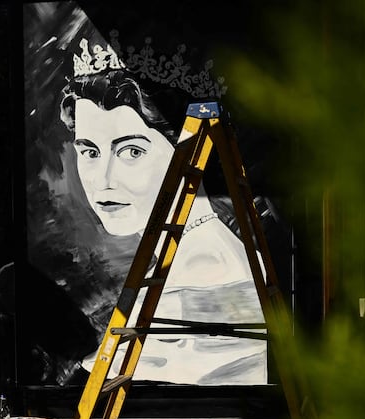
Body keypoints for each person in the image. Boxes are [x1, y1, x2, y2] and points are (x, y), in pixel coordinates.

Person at [57, 38, 268, 385]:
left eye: (131, 152)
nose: (103, 180)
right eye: (90, 153)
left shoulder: (205, 271)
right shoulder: (179, 258)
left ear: (187, 152)